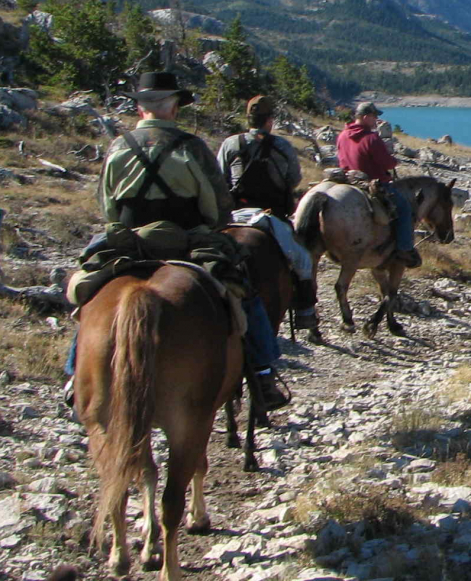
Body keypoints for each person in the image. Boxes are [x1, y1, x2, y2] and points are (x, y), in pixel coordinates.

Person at [67, 72, 289, 410]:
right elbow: (217, 206)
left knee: (92, 288)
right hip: (187, 239)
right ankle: (262, 371)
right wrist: (209, 225)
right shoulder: (191, 147)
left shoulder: (118, 146)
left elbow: (107, 206)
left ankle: (74, 373)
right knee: (243, 287)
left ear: (141, 108)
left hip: (129, 240)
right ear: (173, 107)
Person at [217, 95, 318, 334]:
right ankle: (305, 312)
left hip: (234, 215)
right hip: (268, 216)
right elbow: (293, 179)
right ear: (270, 121)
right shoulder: (281, 146)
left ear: (249, 119)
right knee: (303, 261)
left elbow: (219, 178)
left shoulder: (231, 144)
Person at [335, 101, 421, 267]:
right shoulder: (371, 138)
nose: (376, 121)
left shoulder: (343, 135)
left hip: (348, 180)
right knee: (404, 208)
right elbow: (386, 163)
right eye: (374, 117)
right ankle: (405, 248)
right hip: (370, 183)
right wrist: (394, 161)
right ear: (366, 117)